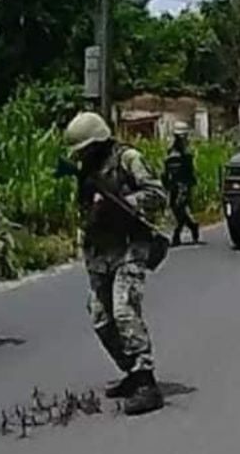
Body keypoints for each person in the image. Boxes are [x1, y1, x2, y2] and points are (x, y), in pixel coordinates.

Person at [63, 111, 167, 416]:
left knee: (124, 310)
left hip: (129, 245)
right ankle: (132, 372)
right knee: (100, 318)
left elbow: (157, 195)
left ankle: (147, 381)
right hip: (100, 250)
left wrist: (122, 203)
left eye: (84, 149)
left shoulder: (128, 159)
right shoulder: (86, 170)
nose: (81, 156)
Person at [163, 121, 199, 246]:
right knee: (176, 209)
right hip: (173, 183)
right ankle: (192, 225)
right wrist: (165, 182)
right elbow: (166, 168)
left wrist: (188, 186)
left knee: (179, 208)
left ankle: (176, 235)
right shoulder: (171, 149)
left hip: (183, 183)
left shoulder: (186, 152)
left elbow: (189, 171)